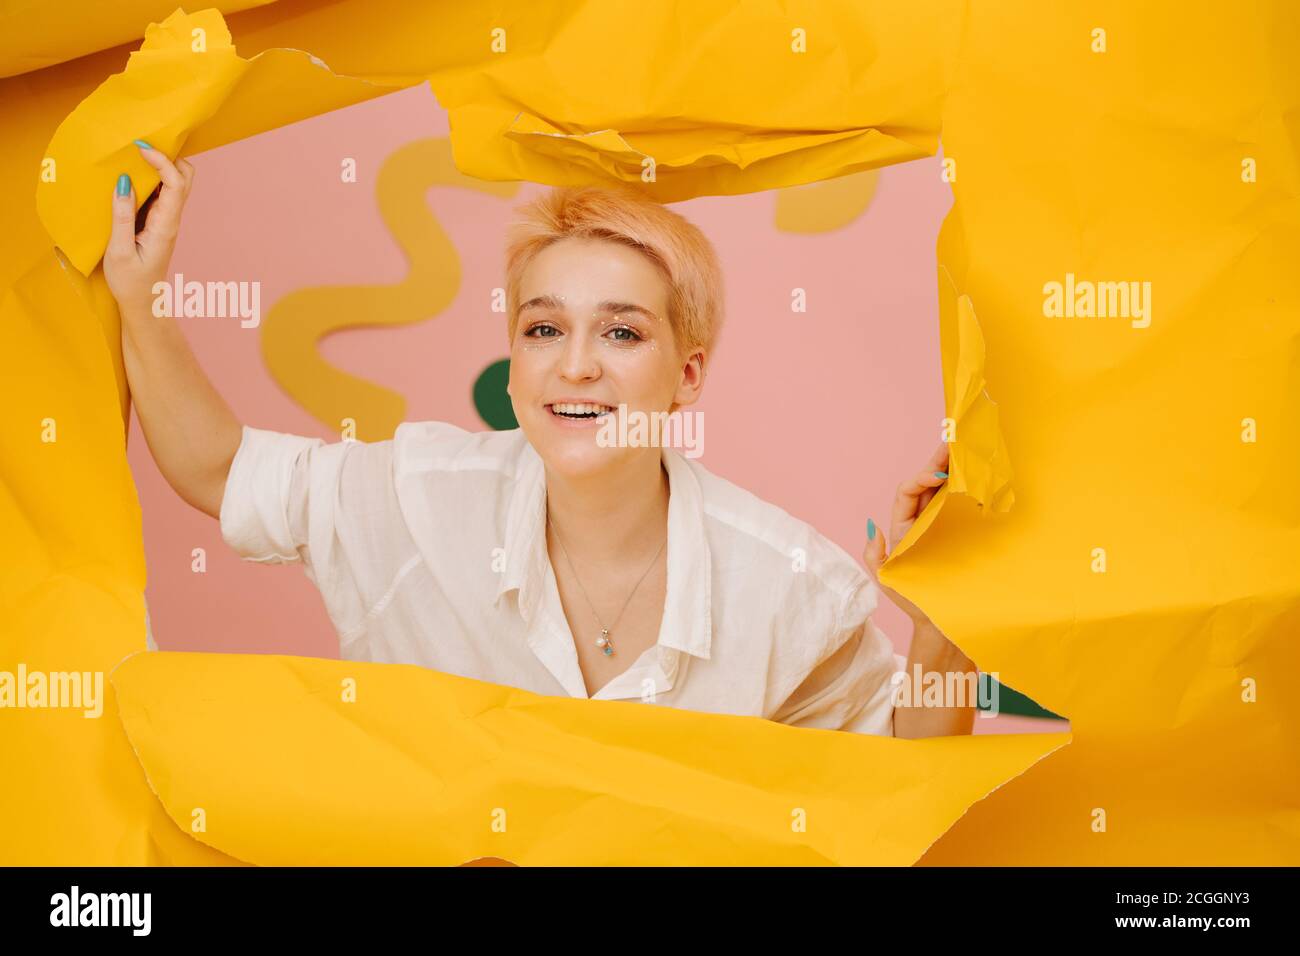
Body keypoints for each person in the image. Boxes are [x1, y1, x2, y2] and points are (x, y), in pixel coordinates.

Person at [105, 140, 978, 738]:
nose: (577, 368)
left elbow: (902, 768)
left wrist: (947, 614)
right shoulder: (414, 494)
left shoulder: (789, 586)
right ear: (515, 360)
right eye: (545, 330)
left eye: (623, 333)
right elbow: (219, 469)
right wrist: (137, 296)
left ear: (689, 375)